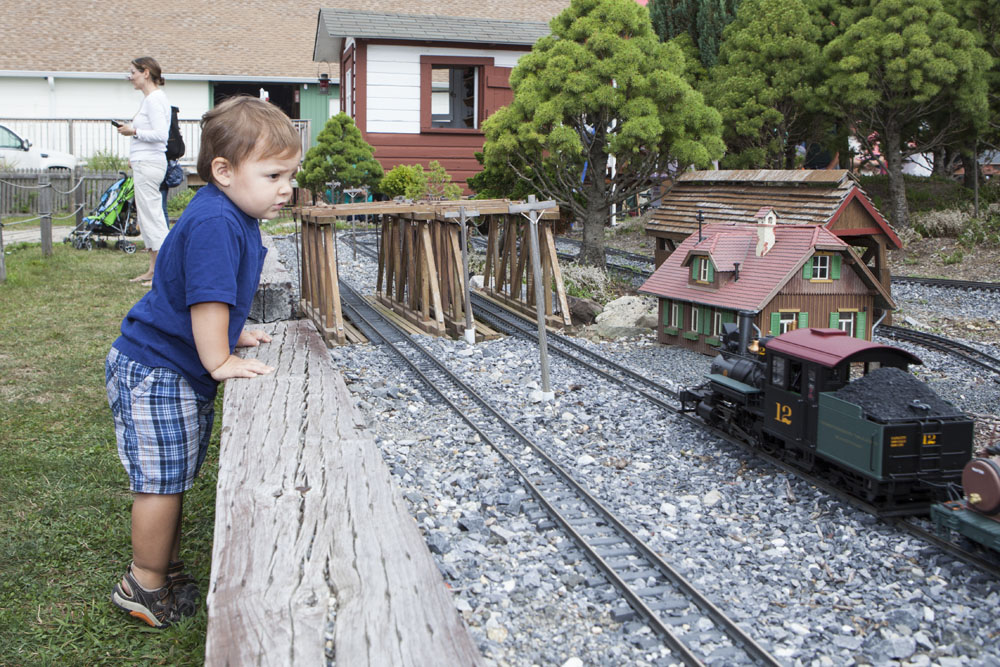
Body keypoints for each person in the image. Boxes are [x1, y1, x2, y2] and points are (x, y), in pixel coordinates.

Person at [105, 96, 302, 628]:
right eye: (274, 174)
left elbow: (221, 297)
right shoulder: (218, 221)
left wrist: (235, 333)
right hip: (157, 369)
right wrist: (219, 358)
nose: (287, 187)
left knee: (174, 473)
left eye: (291, 174)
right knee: (161, 481)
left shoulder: (234, 212)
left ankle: (162, 567)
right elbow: (207, 299)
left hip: (170, 367)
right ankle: (143, 584)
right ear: (224, 170)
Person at [118, 57, 171, 284]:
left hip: (150, 164)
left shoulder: (155, 100)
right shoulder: (150, 100)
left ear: (146, 72)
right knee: (146, 218)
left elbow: (161, 135)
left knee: (154, 218)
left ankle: (164, 272)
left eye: (133, 72)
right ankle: (152, 269)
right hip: (144, 162)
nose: (130, 77)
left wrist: (133, 131)